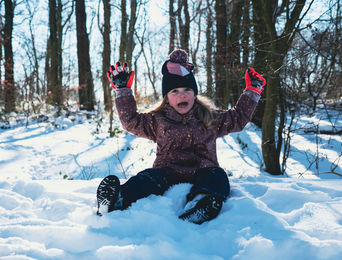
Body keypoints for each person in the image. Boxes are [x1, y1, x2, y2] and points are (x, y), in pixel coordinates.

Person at [97, 49, 266, 224]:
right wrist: (123, 91)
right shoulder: (158, 120)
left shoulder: (210, 117)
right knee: (146, 179)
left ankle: (202, 204)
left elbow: (237, 118)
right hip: (167, 171)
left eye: (187, 89)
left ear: (194, 93)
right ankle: (118, 198)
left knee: (218, 177)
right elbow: (131, 121)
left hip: (204, 170)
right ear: (167, 98)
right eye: (174, 91)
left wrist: (252, 91)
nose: (182, 95)